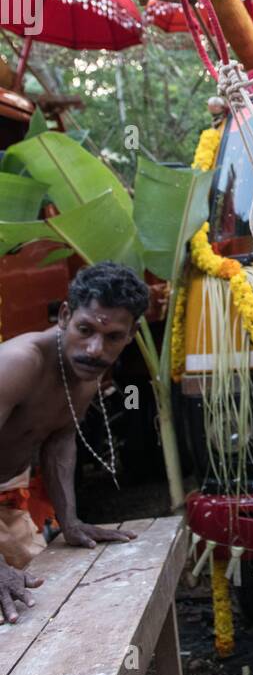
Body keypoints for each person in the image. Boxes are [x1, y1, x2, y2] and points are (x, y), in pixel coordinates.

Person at [0, 261, 150, 625]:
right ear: (65, 315)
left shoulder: (85, 371)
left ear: (131, 335)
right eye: (85, 329)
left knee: (37, 606)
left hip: (7, 499)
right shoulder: (19, 363)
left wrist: (70, 521)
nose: (95, 348)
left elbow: (60, 437)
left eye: (113, 337)